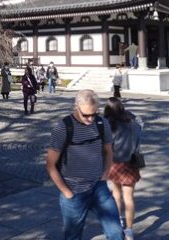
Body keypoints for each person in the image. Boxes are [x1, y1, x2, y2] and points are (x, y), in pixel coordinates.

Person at [45, 90, 123, 240]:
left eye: (94, 114)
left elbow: (108, 150)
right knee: (73, 236)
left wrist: (105, 175)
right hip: (74, 191)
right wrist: (67, 192)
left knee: (116, 232)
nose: (90, 119)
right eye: (86, 115)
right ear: (76, 107)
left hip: (99, 187)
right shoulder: (64, 127)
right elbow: (50, 164)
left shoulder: (102, 123)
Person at [104, 97, 142, 240]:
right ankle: (129, 230)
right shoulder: (133, 123)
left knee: (116, 195)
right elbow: (139, 138)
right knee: (129, 197)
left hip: (115, 163)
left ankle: (118, 222)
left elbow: (106, 147)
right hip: (131, 163)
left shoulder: (109, 124)